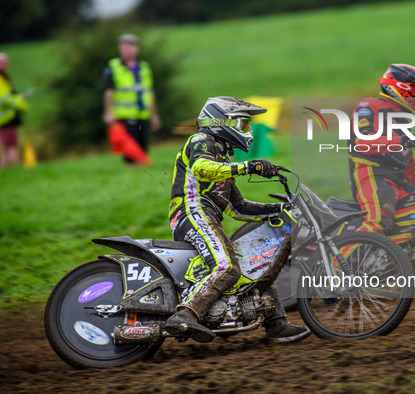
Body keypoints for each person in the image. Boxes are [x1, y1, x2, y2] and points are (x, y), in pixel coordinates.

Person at [165, 96, 311, 344]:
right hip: (191, 212)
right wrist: (248, 167)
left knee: (253, 267)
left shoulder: (223, 161)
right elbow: (201, 168)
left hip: (208, 216)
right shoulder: (202, 140)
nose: (248, 130)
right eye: (243, 124)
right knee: (226, 266)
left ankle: (276, 324)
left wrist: (282, 208)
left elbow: (238, 208)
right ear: (221, 121)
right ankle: (185, 315)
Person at [348, 63, 415, 270]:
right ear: (401, 88)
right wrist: (401, 140)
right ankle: (336, 271)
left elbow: (410, 169)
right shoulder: (368, 105)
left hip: (397, 181)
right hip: (372, 175)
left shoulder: (401, 119)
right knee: (379, 222)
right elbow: (362, 142)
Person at [103, 34, 160, 165]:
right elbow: (109, 92)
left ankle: (141, 174)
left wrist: (154, 114)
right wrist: (108, 112)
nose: (127, 49)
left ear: (137, 49)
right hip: (124, 115)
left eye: (130, 46)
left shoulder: (144, 67)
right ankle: (131, 174)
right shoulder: (113, 67)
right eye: (124, 46)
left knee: (143, 146)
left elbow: (150, 92)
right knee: (129, 149)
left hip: (143, 114)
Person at [0, 53, 29, 168]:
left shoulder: (5, 77)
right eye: (2, 62)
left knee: (8, 146)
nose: (4, 64)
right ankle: (13, 169)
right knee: (11, 146)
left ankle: (7, 170)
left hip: (8, 117)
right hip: (6, 118)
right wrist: (20, 101)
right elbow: (3, 99)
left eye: (6, 62)